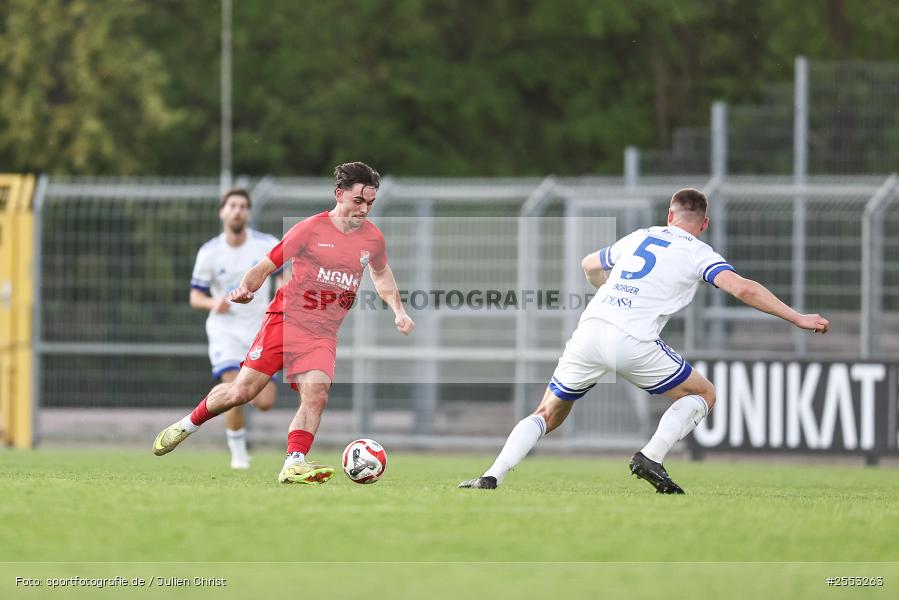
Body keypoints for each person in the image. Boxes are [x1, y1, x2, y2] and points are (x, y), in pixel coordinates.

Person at [459, 188, 829, 494]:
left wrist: (604, 289)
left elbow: (589, 264)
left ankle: (492, 475)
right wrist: (797, 317)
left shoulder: (641, 237)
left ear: (670, 216)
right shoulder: (699, 252)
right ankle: (651, 456)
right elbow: (744, 289)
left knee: (547, 413)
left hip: (590, 330)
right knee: (704, 394)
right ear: (704, 224)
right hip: (633, 339)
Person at [155, 162, 415, 484]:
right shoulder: (309, 229)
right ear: (339, 194)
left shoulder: (373, 239)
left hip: (322, 334)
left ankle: (294, 462)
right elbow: (265, 266)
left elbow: (380, 273)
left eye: (370, 203)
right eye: (358, 201)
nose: (364, 209)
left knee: (316, 394)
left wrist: (398, 310)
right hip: (286, 321)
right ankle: (187, 425)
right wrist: (246, 290)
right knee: (242, 392)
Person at [189, 188, 280, 469]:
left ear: (248, 212)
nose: (237, 210)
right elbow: (195, 296)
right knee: (233, 391)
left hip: (259, 331)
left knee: (264, 402)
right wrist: (214, 303)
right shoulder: (209, 252)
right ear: (223, 212)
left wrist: (281, 297)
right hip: (225, 331)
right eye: (232, 205)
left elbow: (285, 275)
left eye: (242, 206)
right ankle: (239, 454)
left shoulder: (266, 244)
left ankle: (240, 405)